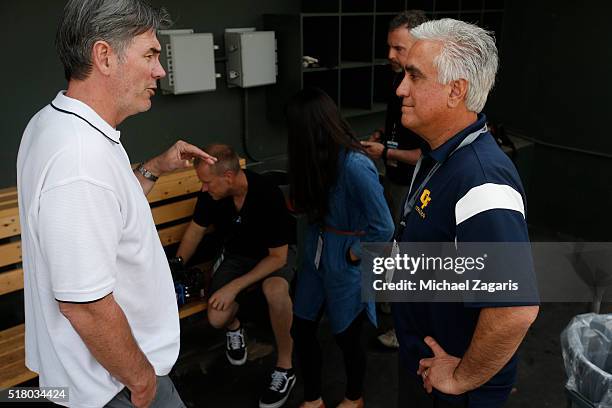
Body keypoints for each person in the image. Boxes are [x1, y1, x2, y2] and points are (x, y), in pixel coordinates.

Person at [16, 1, 216, 407]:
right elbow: (83, 305)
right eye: (150, 55)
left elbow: (106, 213)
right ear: (104, 56)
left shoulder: (53, 123)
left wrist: (155, 167)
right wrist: (142, 382)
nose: (160, 70)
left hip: (98, 380)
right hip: (115, 387)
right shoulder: (79, 159)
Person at [391, 19, 539, 408]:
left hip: (450, 388)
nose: (400, 89)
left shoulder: (482, 180)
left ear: (457, 91)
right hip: (423, 365)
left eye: (414, 76)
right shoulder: (440, 153)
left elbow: (515, 310)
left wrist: (461, 378)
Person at [287, 88, 395, 408]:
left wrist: (354, 254)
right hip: (317, 250)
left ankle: (354, 397)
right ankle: (313, 398)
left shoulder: (354, 165)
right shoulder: (315, 158)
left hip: (346, 255)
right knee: (302, 327)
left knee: (347, 335)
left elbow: (384, 227)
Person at [174, 144, 296, 408]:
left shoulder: (267, 193)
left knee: (274, 291)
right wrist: (177, 264)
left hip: (272, 255)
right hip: (237, 257)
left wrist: (234, 288)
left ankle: (286, 366)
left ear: (227, 177)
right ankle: (234, 326)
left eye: (207, 182)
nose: (204, 188)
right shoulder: (212, 194)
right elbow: (196, 231)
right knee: (217, 316)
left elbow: (279, 257)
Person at [361, 9, 428, 351]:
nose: (390, 55)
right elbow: (400, 132)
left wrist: (384, 153)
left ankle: (406, 331)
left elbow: (424, 155)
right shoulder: (397, 80)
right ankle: (390, 301)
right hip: (394, 177)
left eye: (398, 48)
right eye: (389, 47)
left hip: (415, 186)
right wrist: (383, 136)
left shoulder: (430, 89)